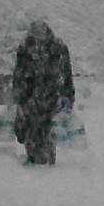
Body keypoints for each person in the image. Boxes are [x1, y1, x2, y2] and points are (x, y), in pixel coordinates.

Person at [12, 20, 75, 165]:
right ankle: (35, 159)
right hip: (31, 98)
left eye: (40, 34)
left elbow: (67, 75)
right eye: (35, 35)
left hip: (50, 97)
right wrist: (18, 95)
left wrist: (68, 97)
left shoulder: (58, 49)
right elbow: (18, 74)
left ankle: (44, 163)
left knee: (47, 131)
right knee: (30, 130)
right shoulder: (25, 49)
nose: (38, 39)